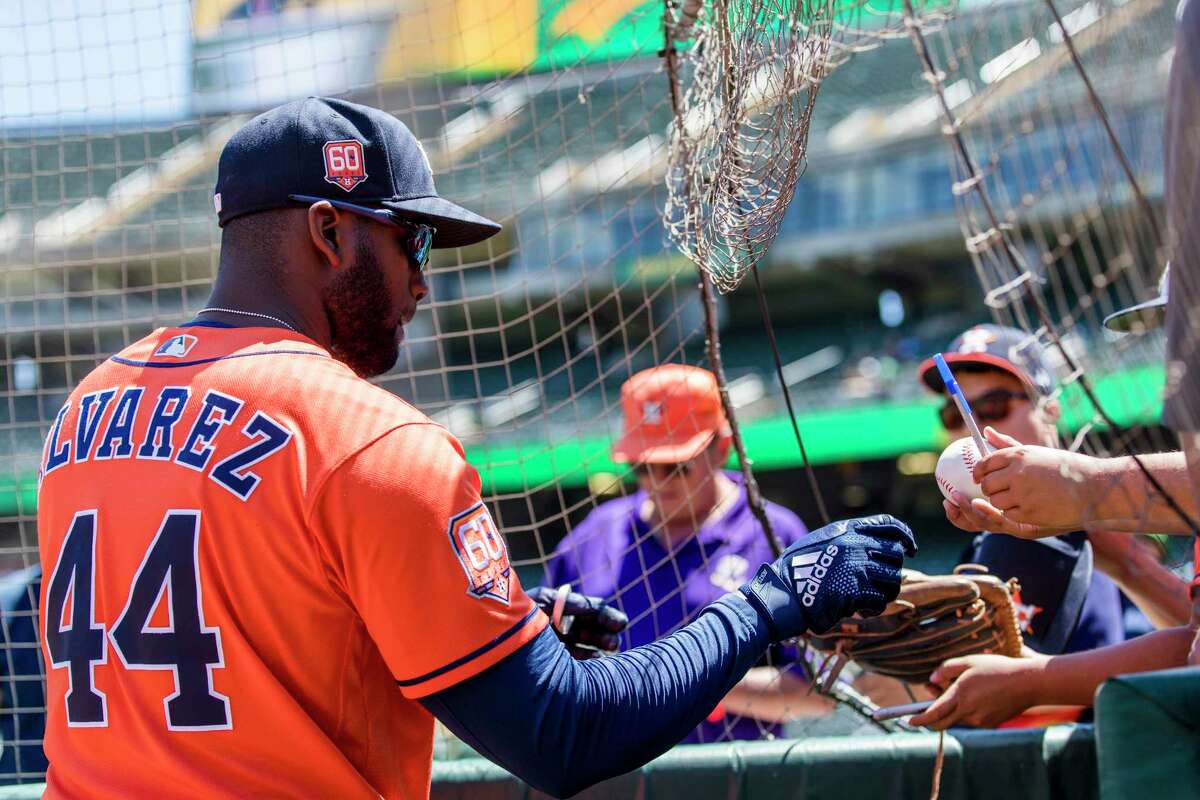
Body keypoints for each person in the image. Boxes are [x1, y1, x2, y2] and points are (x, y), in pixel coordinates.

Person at [35, 97, 916, 799]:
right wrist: (772, 599)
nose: (423, 279)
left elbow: (250, 630)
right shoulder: (369, 438)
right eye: (410, 240)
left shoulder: (84, 412)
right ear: (329, 232)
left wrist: (479, 620)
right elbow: (564, 736)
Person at [546, 365, 830, 742]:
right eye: (642, 466)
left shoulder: (774, 532)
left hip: (733, 779)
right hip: (615, 782)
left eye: (677, 466)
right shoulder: (590, 539)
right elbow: (545, 675)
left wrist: (684, 683)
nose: (657, 482)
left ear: (722, 449)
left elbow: (819, 693)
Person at [917, 325, 1136, 653]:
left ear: (1050, 409)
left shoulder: (1103, 516)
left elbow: (1089, 688)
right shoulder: (988, 541)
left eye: (993, 406)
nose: (970, 426)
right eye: (954, 414)